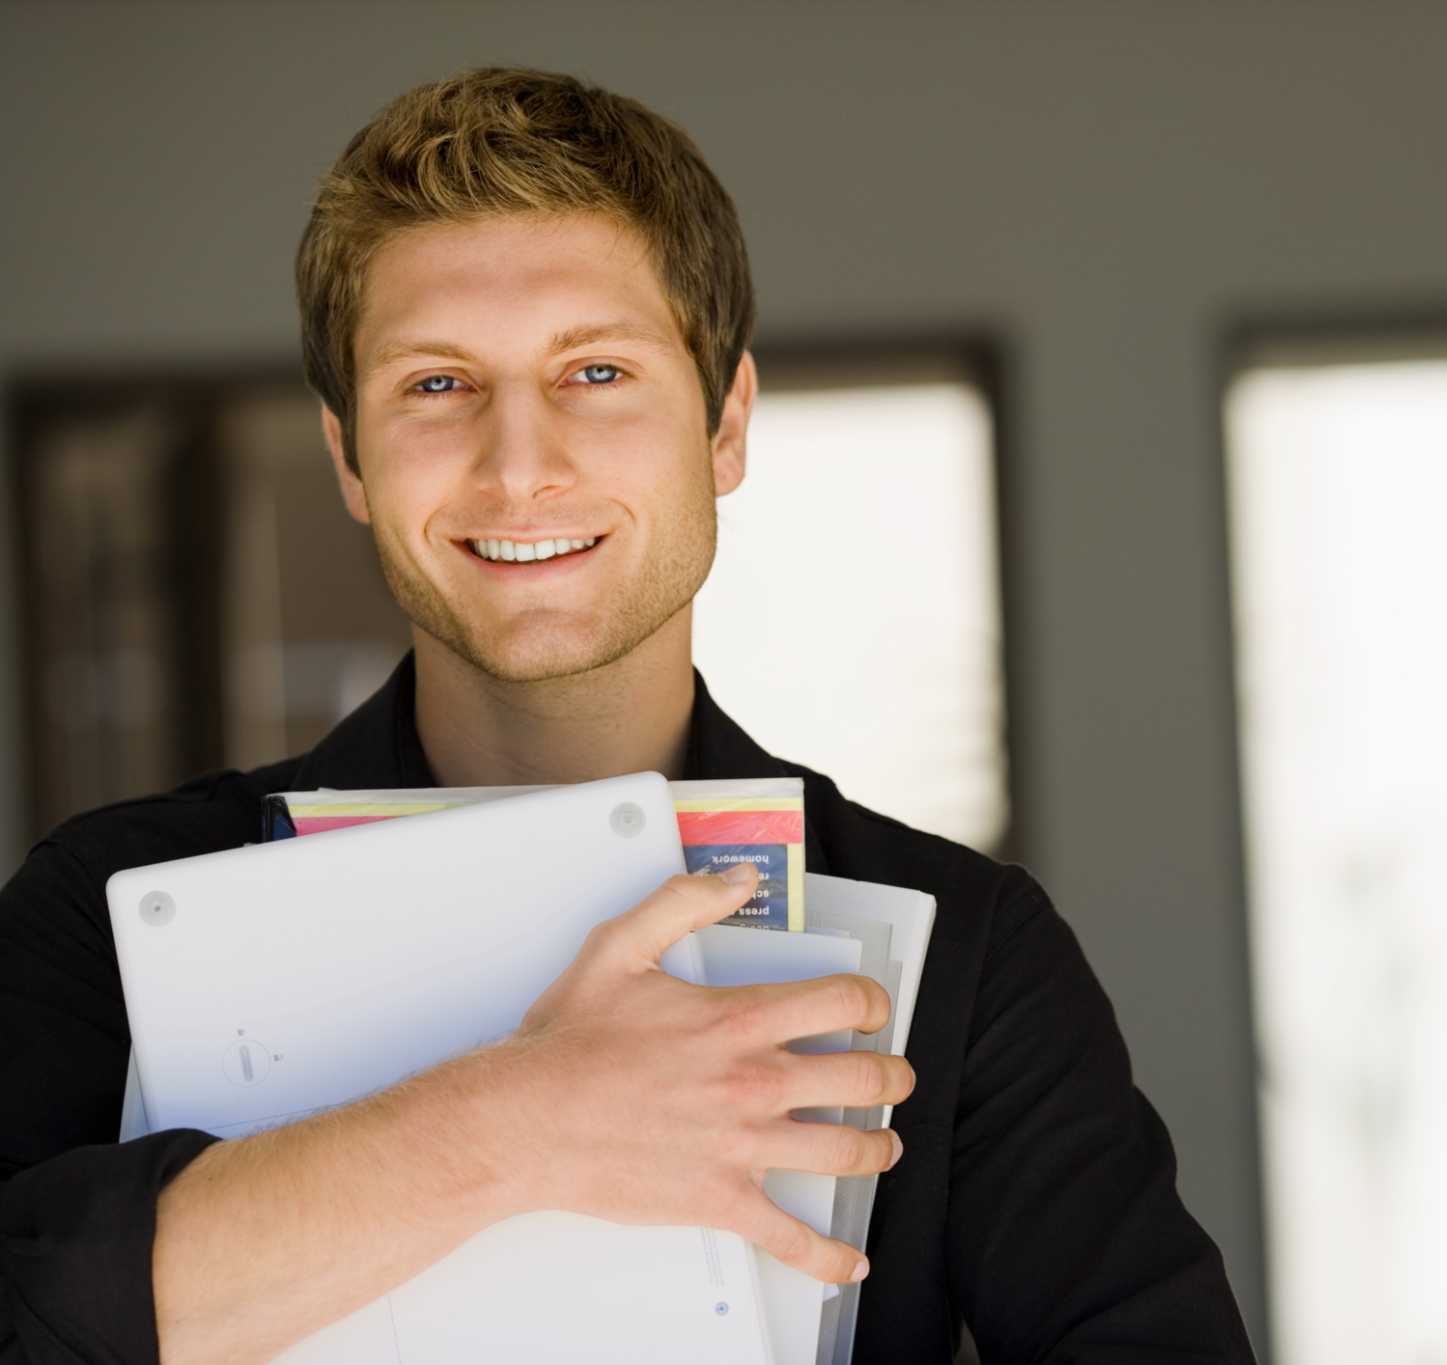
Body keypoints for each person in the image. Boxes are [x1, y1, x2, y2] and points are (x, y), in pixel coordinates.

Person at [0, 66, 1254, 1365]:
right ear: (349, 459)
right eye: (436, 385)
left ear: (725, 426)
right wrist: (516, 1121)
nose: (521, 463)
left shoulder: (973, 961)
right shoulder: (102, 913)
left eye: (595, 370)